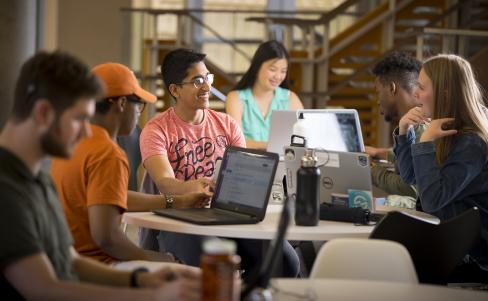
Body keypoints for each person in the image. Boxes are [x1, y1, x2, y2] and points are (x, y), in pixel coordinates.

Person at [0, 51, 200, 300]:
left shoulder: (37, 179)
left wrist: (141, 279)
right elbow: (43, 289)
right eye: (80, 119)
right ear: (43, 113)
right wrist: (154, 295)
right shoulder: (7, 188)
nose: (86, 132)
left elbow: (71, 260)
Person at [139, 48, 300, 277]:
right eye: (197, 81)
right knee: (217, 267)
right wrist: (198, 187)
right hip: (180, 219)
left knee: (285, 261)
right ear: (175, 90)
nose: (207, 87)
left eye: (207, 78)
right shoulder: (156, 129)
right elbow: (165, 182)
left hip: (228, 216)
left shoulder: (227, 124)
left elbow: (246, 174)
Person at [50, 63, 211, 269]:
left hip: (65, 260)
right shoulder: (108, 154)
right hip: (98, 265)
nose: (139, 114)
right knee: (192, 273)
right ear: (122, 104)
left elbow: (112, 197)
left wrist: (178, 201)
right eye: (139, 105)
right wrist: (160, 259)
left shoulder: (73, 142)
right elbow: (107, 239)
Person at [395, 54, 488, 283]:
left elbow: (433, 199)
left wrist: (424, 143)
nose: (415, 94)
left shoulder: (473, 142)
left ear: (444, 93)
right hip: (450, 245)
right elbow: (411, 176)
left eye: (421, 87)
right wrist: (405, 131)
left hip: (472, 258)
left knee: (383, 267)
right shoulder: (447, 130)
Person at [226, 40, 303, 150]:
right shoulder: (236, 99)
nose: (278, 76)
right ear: (257, 67)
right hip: (246, 164)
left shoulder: (291, 98)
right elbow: (236, 142)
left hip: (282, 165)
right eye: (273, 69)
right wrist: (274, 147)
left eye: (283, 71)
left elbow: (303, 138)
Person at [366, 52, 422, 198]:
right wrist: (379, 152)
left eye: (378, 92)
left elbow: (412, 188)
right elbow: (413, 158)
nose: (378, 101)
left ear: (392, 88)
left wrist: (369, 168)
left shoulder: (421, 125)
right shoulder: (413, 123)